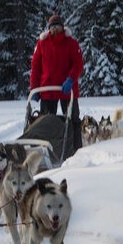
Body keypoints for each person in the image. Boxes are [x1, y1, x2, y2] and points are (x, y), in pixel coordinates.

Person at [29, 13, 84, 156]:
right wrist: (34, 88)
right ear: (49, 29)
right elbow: (36, 67)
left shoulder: (71, 43)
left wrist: (71, 79)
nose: (55, 30)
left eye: (58, 27)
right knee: (46, 122)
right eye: (53, 27)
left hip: (67, 88)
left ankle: (76, 151)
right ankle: (46, 151)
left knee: (72, 120)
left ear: (62, 27)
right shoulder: (42, 44)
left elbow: (78, 64)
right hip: (47, 89)